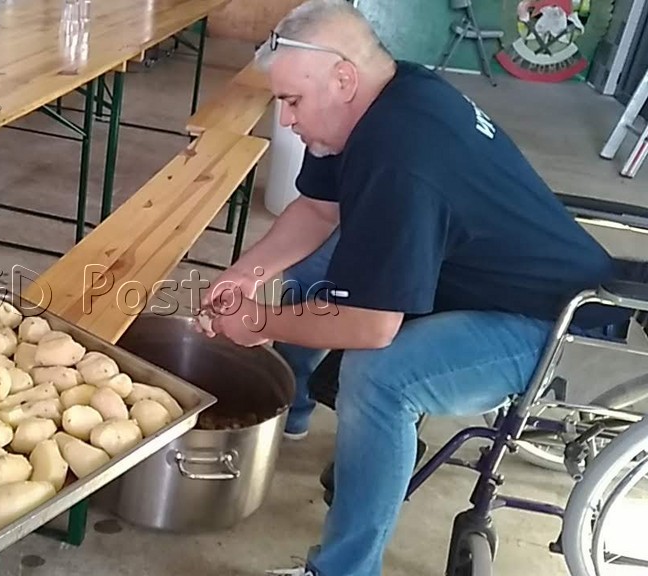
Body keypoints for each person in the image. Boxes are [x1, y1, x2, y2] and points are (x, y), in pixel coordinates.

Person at [197, 1, 629, 575]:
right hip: (479, 273)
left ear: (343, 79)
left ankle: (345, 569)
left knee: (379, 377)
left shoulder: (401, 154)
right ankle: (297, 409)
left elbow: (370, 326)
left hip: (547, 319)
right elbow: (320, 210)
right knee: (310, 267)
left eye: (293, 101)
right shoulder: (385, 94)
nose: (287, 118)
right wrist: (245, 274)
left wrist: (258, 322)